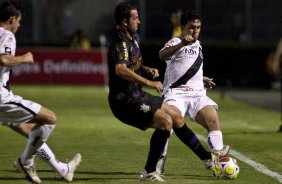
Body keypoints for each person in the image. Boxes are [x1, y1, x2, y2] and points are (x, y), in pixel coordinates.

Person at [108, 2, 218, 182]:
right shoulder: (120, 41)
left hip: (137, 95)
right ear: (124, 21)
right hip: (124, 100)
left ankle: (207, 159)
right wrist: (149, 82)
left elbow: (132, 65)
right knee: (166, 122)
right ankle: (150, 170)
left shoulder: (132, 39)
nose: (139, 21)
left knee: (176, 117)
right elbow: (120, 70)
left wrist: (145, 69)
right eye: (135, 18)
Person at [0, 2, 81, 183]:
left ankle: (63, 169)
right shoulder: (7, 35)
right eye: (19, 21)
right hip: (1, 98)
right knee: (49, 118)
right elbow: (4, 60)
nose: (19, 25)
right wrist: (24, 58)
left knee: (31, 132)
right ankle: (26, 162)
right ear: (12, 20)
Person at [156, 10, 230, 175]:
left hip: (197, 94)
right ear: (182, 27)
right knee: (168, 125)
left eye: (198, 27)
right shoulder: (176, 41)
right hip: (176, 94)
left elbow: (186, 66)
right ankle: (158, 163)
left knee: (212, 119)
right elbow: (162, 55)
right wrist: (182, 43)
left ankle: (217, 163)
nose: (195, 30)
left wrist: (200, 78)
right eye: (191, 27)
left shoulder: (198, 44)